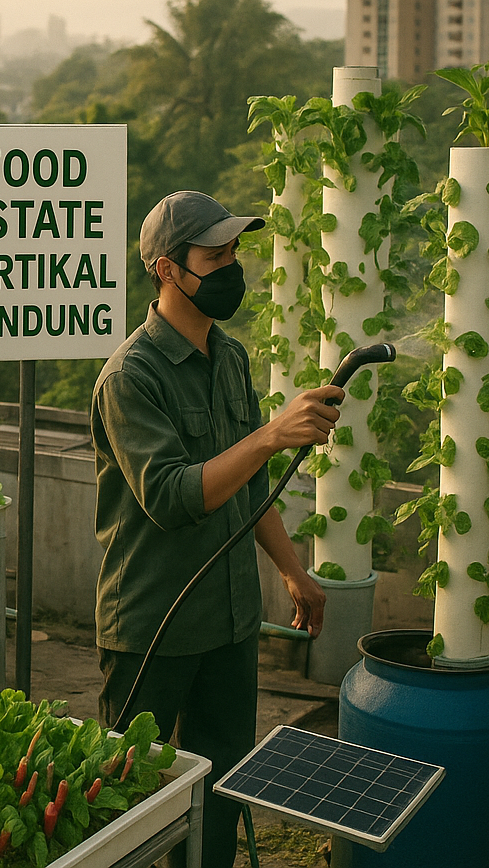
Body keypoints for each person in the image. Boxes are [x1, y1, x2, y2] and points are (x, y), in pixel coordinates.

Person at [92, 190, 341, 868]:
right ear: (169, 270)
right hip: (155, 625)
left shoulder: (228, 358)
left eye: (235, 252)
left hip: (230, 621)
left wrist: (292, 570)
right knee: (132, 799)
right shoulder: (130, 377)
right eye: (215, 256)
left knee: (221, 787)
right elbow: (172, 496)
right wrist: (269, 435)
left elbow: (247, 490)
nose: (233, 268)